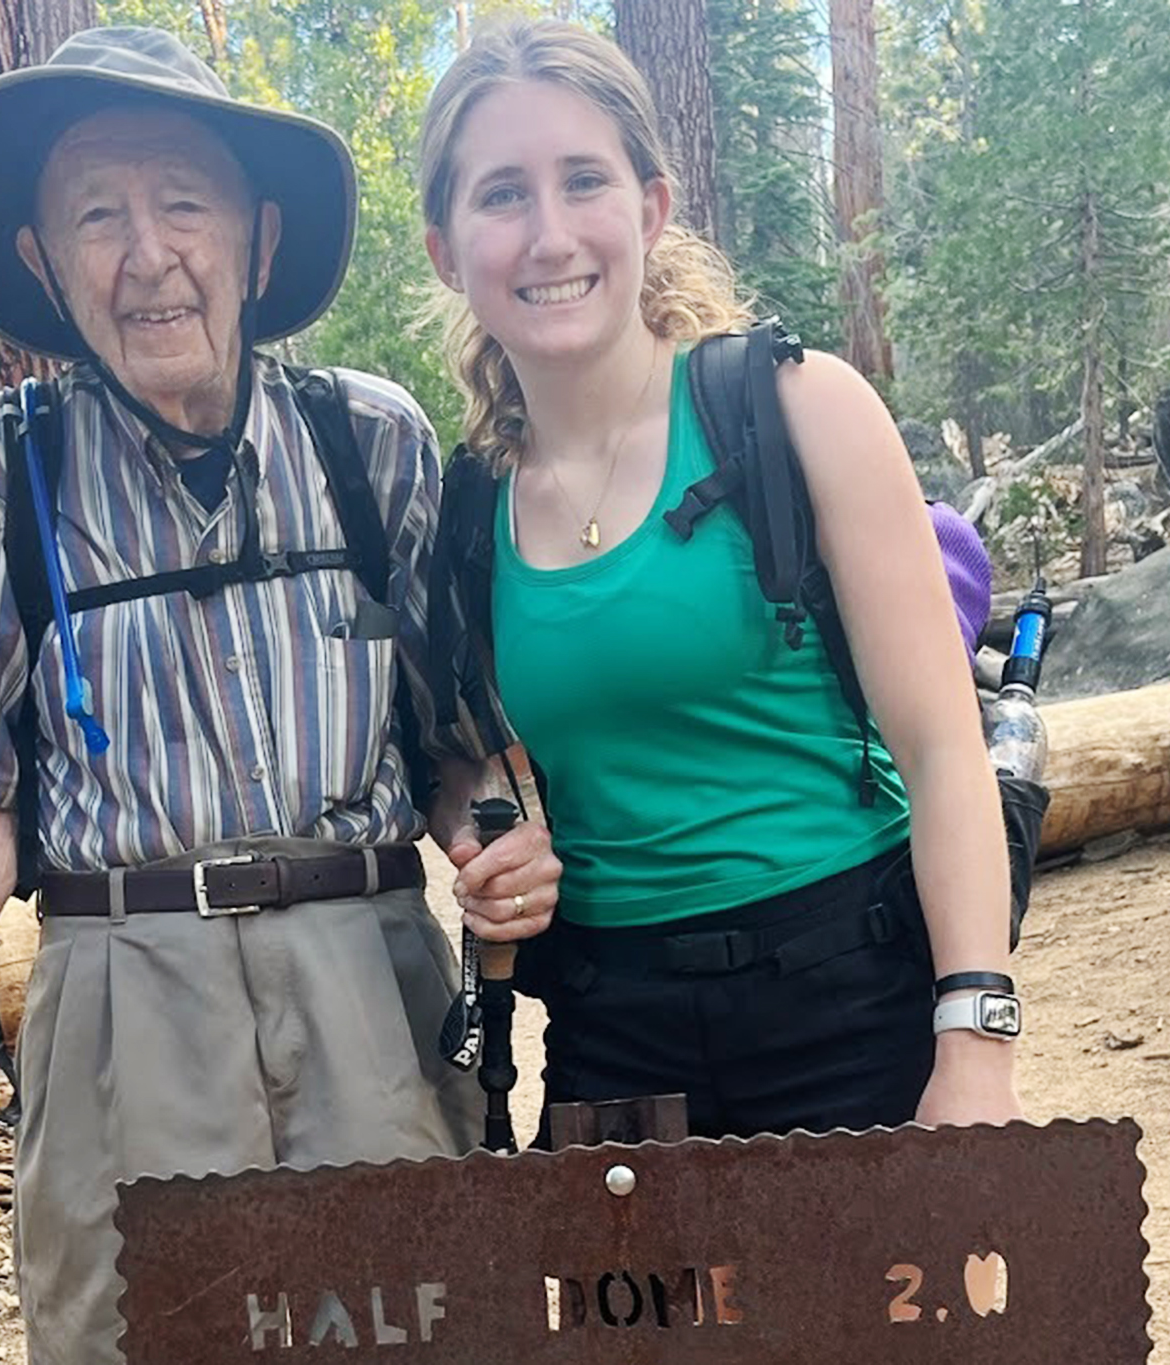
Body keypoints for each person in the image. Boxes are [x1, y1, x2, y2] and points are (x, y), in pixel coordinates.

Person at [0, 28, 559, 1365]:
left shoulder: (371, 439)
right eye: (97, 214)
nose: (148, 251)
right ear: (45, 265)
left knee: (429, 1327)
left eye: (183, 201)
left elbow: (450, 750)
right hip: (122, 1003)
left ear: (258, 238)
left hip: (372, 989)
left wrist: (488, 838)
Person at [418, 20, 1024, 1140]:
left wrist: (974, 1040)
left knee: (898, 1325)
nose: (549, 234)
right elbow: (470, 761)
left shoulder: (795, 411)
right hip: (614, 1037)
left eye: (582, 180)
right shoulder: (465, 511)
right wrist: (485, 842)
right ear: (446, 250)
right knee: (641, 1328)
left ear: (648, 210)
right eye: (501, 195)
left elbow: (944, 749)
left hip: (856, 1001)